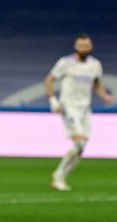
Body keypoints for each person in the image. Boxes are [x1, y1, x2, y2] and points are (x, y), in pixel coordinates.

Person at [45, 33, 113, 191]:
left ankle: (60, 176)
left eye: (87, 46)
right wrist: (53, 100)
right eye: (81, 46)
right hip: (69, 106)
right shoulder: (65, 63)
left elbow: (96, 83)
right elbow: (49, 80)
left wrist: (104, 96)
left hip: (85, 108)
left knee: (81, 147)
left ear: (91, 47)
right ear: (76, 46)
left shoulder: (95, 64)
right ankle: (58, 176)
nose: (84, 48)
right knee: (79, 142)